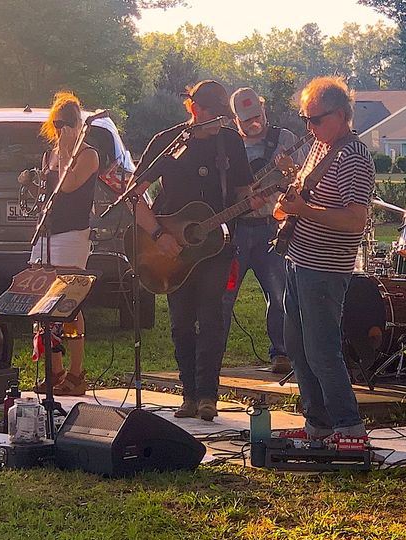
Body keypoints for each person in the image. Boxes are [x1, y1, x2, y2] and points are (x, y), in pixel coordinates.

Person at [127, 80, 257, 422]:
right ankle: (187, 393)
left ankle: (208, 396)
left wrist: (256, 201)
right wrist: (157, 234)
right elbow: (133, 197)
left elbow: (244, 192)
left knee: (212, 318)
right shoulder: (167, 143)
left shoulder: (230, 143)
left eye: (222, 117)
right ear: (195, 109)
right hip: (170, 249)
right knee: (181, 322)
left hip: (217, 246)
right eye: (213, 116)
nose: (218, 124)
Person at [273, 76, 374, 452]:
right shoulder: (320, 148)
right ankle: (318, 424)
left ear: (342, 115)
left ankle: (350, 426)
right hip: (298, 260)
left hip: (326, 267)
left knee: (321, 350)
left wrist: (304, 210)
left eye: (316, 119)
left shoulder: (354, 157)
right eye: (305, 119)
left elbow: (354, 219)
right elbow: (306, 199)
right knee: (297, 347)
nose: (309, 127)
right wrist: (288, 201)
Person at [19, 91, 100, 397]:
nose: (62, 130)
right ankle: (55, 371)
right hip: (47, 234)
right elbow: (48, 193)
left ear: (80, 124)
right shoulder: (48, 155)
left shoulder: (88, 155)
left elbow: (68, 185)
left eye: (68, 123)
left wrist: (67, 151)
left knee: (68, 301)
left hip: (72, 235)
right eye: (57, 123)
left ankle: (78, 375)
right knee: (42, 300)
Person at [220, 87, 302, 375]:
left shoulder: (285, 140)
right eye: (246, 119)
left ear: (264, 109)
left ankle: (281, 353)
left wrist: (290, 169)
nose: (253, 123)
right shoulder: (228, 145)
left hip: (270, 228)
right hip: (237, 230)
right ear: (235, 120)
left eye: (257, 116)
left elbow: (303, 180)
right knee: (225, 294)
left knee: (279, 294)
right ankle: (214, 354)